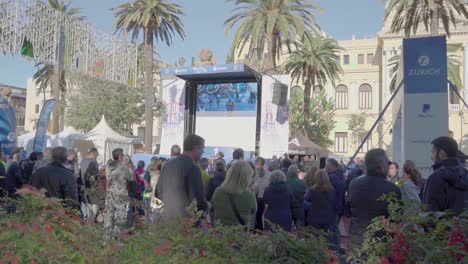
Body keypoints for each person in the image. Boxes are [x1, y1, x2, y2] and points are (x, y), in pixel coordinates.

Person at [348, 149, 401, 256]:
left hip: (356, 243)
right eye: (388, 163)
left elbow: (350, 210)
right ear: (381, 166)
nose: (389, 166)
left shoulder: (353, 184)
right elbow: (396, 221)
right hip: (379, 246)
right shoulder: (392, 189)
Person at [155, 134, 207, 220]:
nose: (203, 152)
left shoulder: (167, 165)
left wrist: (171, 205)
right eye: (202, 148)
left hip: (168, 217)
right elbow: (198, 200)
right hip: (186, 222)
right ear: (195, 148)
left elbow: (158, 192)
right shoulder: (193, 168)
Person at [423, 137, 468, 215]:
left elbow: (429, 212)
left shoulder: (436, 177)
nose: (431, 157)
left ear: (441, 154)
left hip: (444, 226)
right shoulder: (466, 173)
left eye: (433, 152)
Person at [212, 160, 256, 228]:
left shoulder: (218, 191)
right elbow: (253, 211)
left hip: (220, 232)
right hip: (240, 233)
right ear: (247, 177)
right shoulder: (249, 195)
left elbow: (214, 205)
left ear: (229, 173)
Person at [104, 148, 133, 239]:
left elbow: (108, 178)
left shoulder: (108, 165)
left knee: (109, 215)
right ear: (120, 156)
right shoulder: (123, 167)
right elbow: (130, 179)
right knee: (120, 216)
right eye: (123, 154)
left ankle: (107, 236)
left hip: (110, 193)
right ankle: (118, 236)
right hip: (120, 193)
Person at [305, 169, 337, 248]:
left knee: (315, 242)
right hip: (328, 218)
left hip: (314, 218)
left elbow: (306, 201)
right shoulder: (332, 190)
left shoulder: (312, 190)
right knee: (327, 242)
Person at [325, 158, 346, 248]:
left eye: (327, 165)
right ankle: (335, 248)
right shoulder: (341, 175)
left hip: (332, 206)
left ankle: (333, 250)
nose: (325, 167)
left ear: (333, 166)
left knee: (332, 230)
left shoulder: (331, 177)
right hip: (339, 205)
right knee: (335, 229)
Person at [79, 147, 100, 222]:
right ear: (94, 153)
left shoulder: (82, 161)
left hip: (82, 185)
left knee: (84, 202)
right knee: (93, 203)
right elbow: (95, 176)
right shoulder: (93, 162)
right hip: (91, 186)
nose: (97, 156)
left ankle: (85, 218)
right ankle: (91, 220)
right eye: (97, 154)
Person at [251, 157, 271, 230]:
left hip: (254, 196)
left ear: (256, 163)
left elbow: (251, 185)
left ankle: (252, 229)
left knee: (253, 215)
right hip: (263, 197)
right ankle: (259, 230)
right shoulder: (269, 173)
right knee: (260, 215)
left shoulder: (253, 172)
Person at [286, 165, 306, 234]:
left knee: (286, 230)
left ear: (289, 172)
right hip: (299, 207)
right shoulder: (302, 183)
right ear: (297, 173)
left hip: (288, 208)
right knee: (300, 229)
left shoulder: (285, 182)